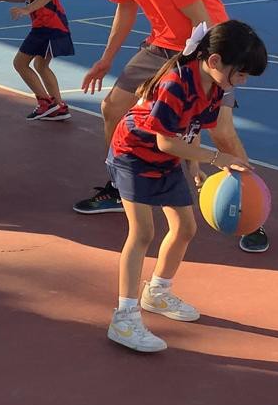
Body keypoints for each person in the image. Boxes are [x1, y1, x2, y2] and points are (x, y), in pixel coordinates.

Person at [77, 0, 269, 254]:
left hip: (209, 44)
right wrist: (106, 59)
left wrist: (201, 79)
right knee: (112, 108)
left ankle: (253, 212)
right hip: (162, 44)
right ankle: (121, 187)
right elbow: (126, 9)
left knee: (221, 131)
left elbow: (201, 23)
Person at [105, 20, 267, 352]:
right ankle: (124, 318)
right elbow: (166, 141)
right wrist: (216, 159)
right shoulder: (175, 83)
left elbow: (189, 129)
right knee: (142, 234)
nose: (243, 80)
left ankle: (157, 292)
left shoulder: (215, 87)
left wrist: (193, 165)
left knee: (185, 228)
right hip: (133, 154)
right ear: (215, 61)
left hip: (167, 158)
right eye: (241, 73)